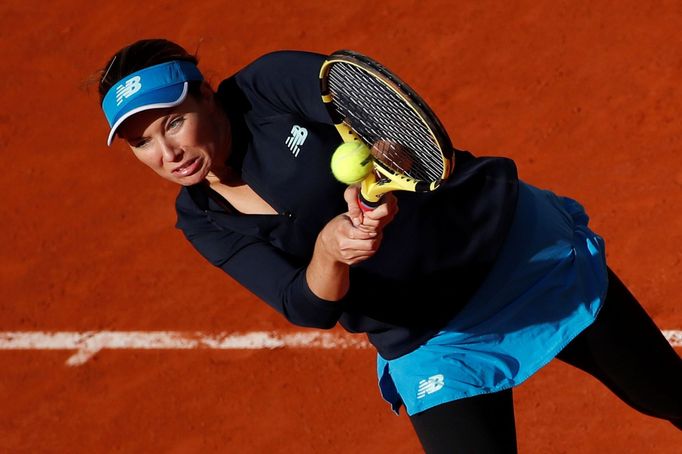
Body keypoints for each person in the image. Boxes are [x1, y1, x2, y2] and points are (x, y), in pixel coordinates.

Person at [97, 39, 682, 452]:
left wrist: (391, 159)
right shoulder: (202, 218)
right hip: (433, 340)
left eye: (172, 122)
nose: (166, 154)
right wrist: (331, 250)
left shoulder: (267, 87)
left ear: (204, 97)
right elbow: (306, 306)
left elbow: (380, 107)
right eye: (141, 144)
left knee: (664, 393)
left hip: (512, 256)